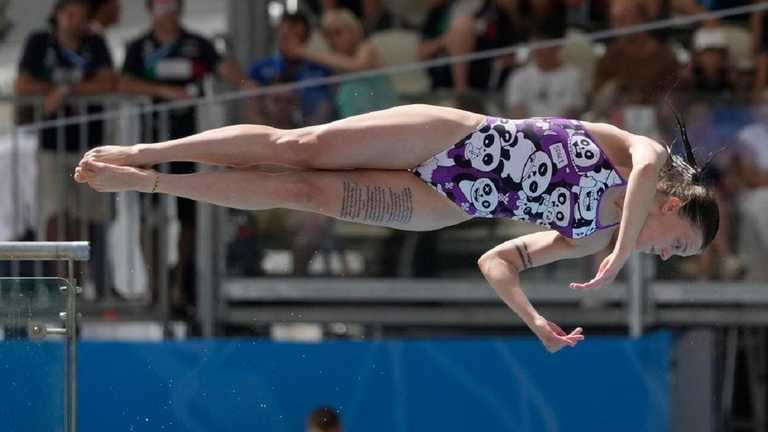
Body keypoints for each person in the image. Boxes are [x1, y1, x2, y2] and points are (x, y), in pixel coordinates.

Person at [73, 104, 719, 354]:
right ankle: (143, 153)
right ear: (674, 205)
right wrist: (622, 259)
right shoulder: (646, 161)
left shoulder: (589, 238)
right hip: (456, 135)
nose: (667, 254)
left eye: (675, 257)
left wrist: (535, 322)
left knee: (304, 192)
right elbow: (640, 183)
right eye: (680, 242)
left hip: (445, 201)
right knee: (299, 145)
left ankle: (153, 183)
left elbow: (498, 260)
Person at [119, 0, 252, 313]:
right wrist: (167, 93)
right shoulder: (139, 46)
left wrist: (253, 87)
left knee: (188, 215)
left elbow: (227, 70)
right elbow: (123, 81)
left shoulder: (197, 44)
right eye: (161, 4)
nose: (168, 10)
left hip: (188, 142)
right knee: (148, 215)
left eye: (174, 4)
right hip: (148, 142)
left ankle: (180, 285)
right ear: (150, 9)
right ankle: (155, 289)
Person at [16, 0, 116, 294]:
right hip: (51, 146)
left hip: (91, 146)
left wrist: (66, 91)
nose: (76, 21)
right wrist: (56, 91)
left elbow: (110, 82)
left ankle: (85, 285)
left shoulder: (95, 43)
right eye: (70, 14)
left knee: (90, 216)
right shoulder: (39, 42)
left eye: (81, 15)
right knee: (55, 213)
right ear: (57, 16)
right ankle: (60, 283)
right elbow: (22, 85)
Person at [282, 8, 397, 118]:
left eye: (338, 32)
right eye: (328, 35)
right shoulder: (333, 60)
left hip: (381, 114)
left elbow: (358, 66)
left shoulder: (366, 48)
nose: (332, 39)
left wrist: (302, 51)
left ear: (353, 31)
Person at [248, 11, 335, 126]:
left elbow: (326, 107)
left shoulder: (321, 69)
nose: (292, 42)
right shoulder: (259, 69)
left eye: (299, 37)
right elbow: (253, 111)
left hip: (310, 131)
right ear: (278, 34)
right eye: (286, 36)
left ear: (307, 38)